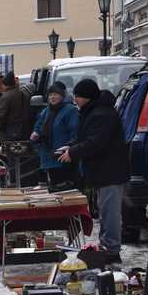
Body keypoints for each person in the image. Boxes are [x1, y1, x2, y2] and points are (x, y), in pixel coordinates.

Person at [58, 79, 130, 265]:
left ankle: (112, 249)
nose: (75, 100)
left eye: (78, 96)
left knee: (110, 212)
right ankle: (107, 246)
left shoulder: (102, 114)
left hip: (110, 172)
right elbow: (86, 138)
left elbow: (95, 143)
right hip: (104, 171)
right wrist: (71, 146)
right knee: (106, 211)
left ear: (87, 97)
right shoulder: (93, 111)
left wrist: (73, 152)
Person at [30, 81, 79, 188]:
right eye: (50, 95)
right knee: (49, 189)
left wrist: (70, 146)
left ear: (62, 96)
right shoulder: (46, 111)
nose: (52, 97)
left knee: (62, 188)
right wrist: (36, 133)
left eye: (56, 94)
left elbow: (75, 131)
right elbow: (38, 125)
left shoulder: (70, 110)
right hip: (46, 155)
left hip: (62, 156)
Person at [0, 71, 31, 143]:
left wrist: (0, 128)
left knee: (10, 152)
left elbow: (1, 116)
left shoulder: (5, 96)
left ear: (5, 84)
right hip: (24, 131)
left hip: (9, 132)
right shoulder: (24, 94)